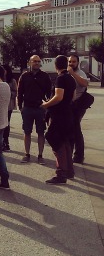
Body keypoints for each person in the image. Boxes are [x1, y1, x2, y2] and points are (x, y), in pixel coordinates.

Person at [41, 55, 76, 184]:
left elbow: (58, 96)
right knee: (65, 140)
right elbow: (73, 96)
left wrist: (46, 104)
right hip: (68, 113)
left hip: (59, 115)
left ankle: (61, 173)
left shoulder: (60, 79)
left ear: (55, 65)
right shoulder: (71, 79)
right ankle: (69, 171)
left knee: (54, 139)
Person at [17, 55, 52, 164]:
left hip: (40, 109)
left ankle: (40, 156)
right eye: (34, 61)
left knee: (41, 132)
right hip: (27, 108)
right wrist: (20, 107)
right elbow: (19, 92)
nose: (36, 63)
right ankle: (27, 154)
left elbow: (49, 92)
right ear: (29, 62)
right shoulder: (24, 76)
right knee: (27, 132)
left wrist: (47, 105)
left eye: (38, 61)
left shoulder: (45, 76)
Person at [67, 54, 89, 164]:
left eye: (73, 62)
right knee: (72, 129)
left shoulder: (80, 73)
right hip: (70, 105)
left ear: (78, 63)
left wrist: (72, 73)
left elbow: (85, 83)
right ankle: (71, 153)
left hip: (78, 105)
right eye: (70, 61)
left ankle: (79, 156)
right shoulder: (66, 72)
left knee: (76, 129)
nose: (71, 64)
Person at [2, 65, 17, 151]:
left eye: (4, 70)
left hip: (8, 105)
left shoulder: (12, 80)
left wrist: (7, 92)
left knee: (6, 124)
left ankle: (6, 142)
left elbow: (15, 92)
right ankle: (0, 142)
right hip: (0, 104)